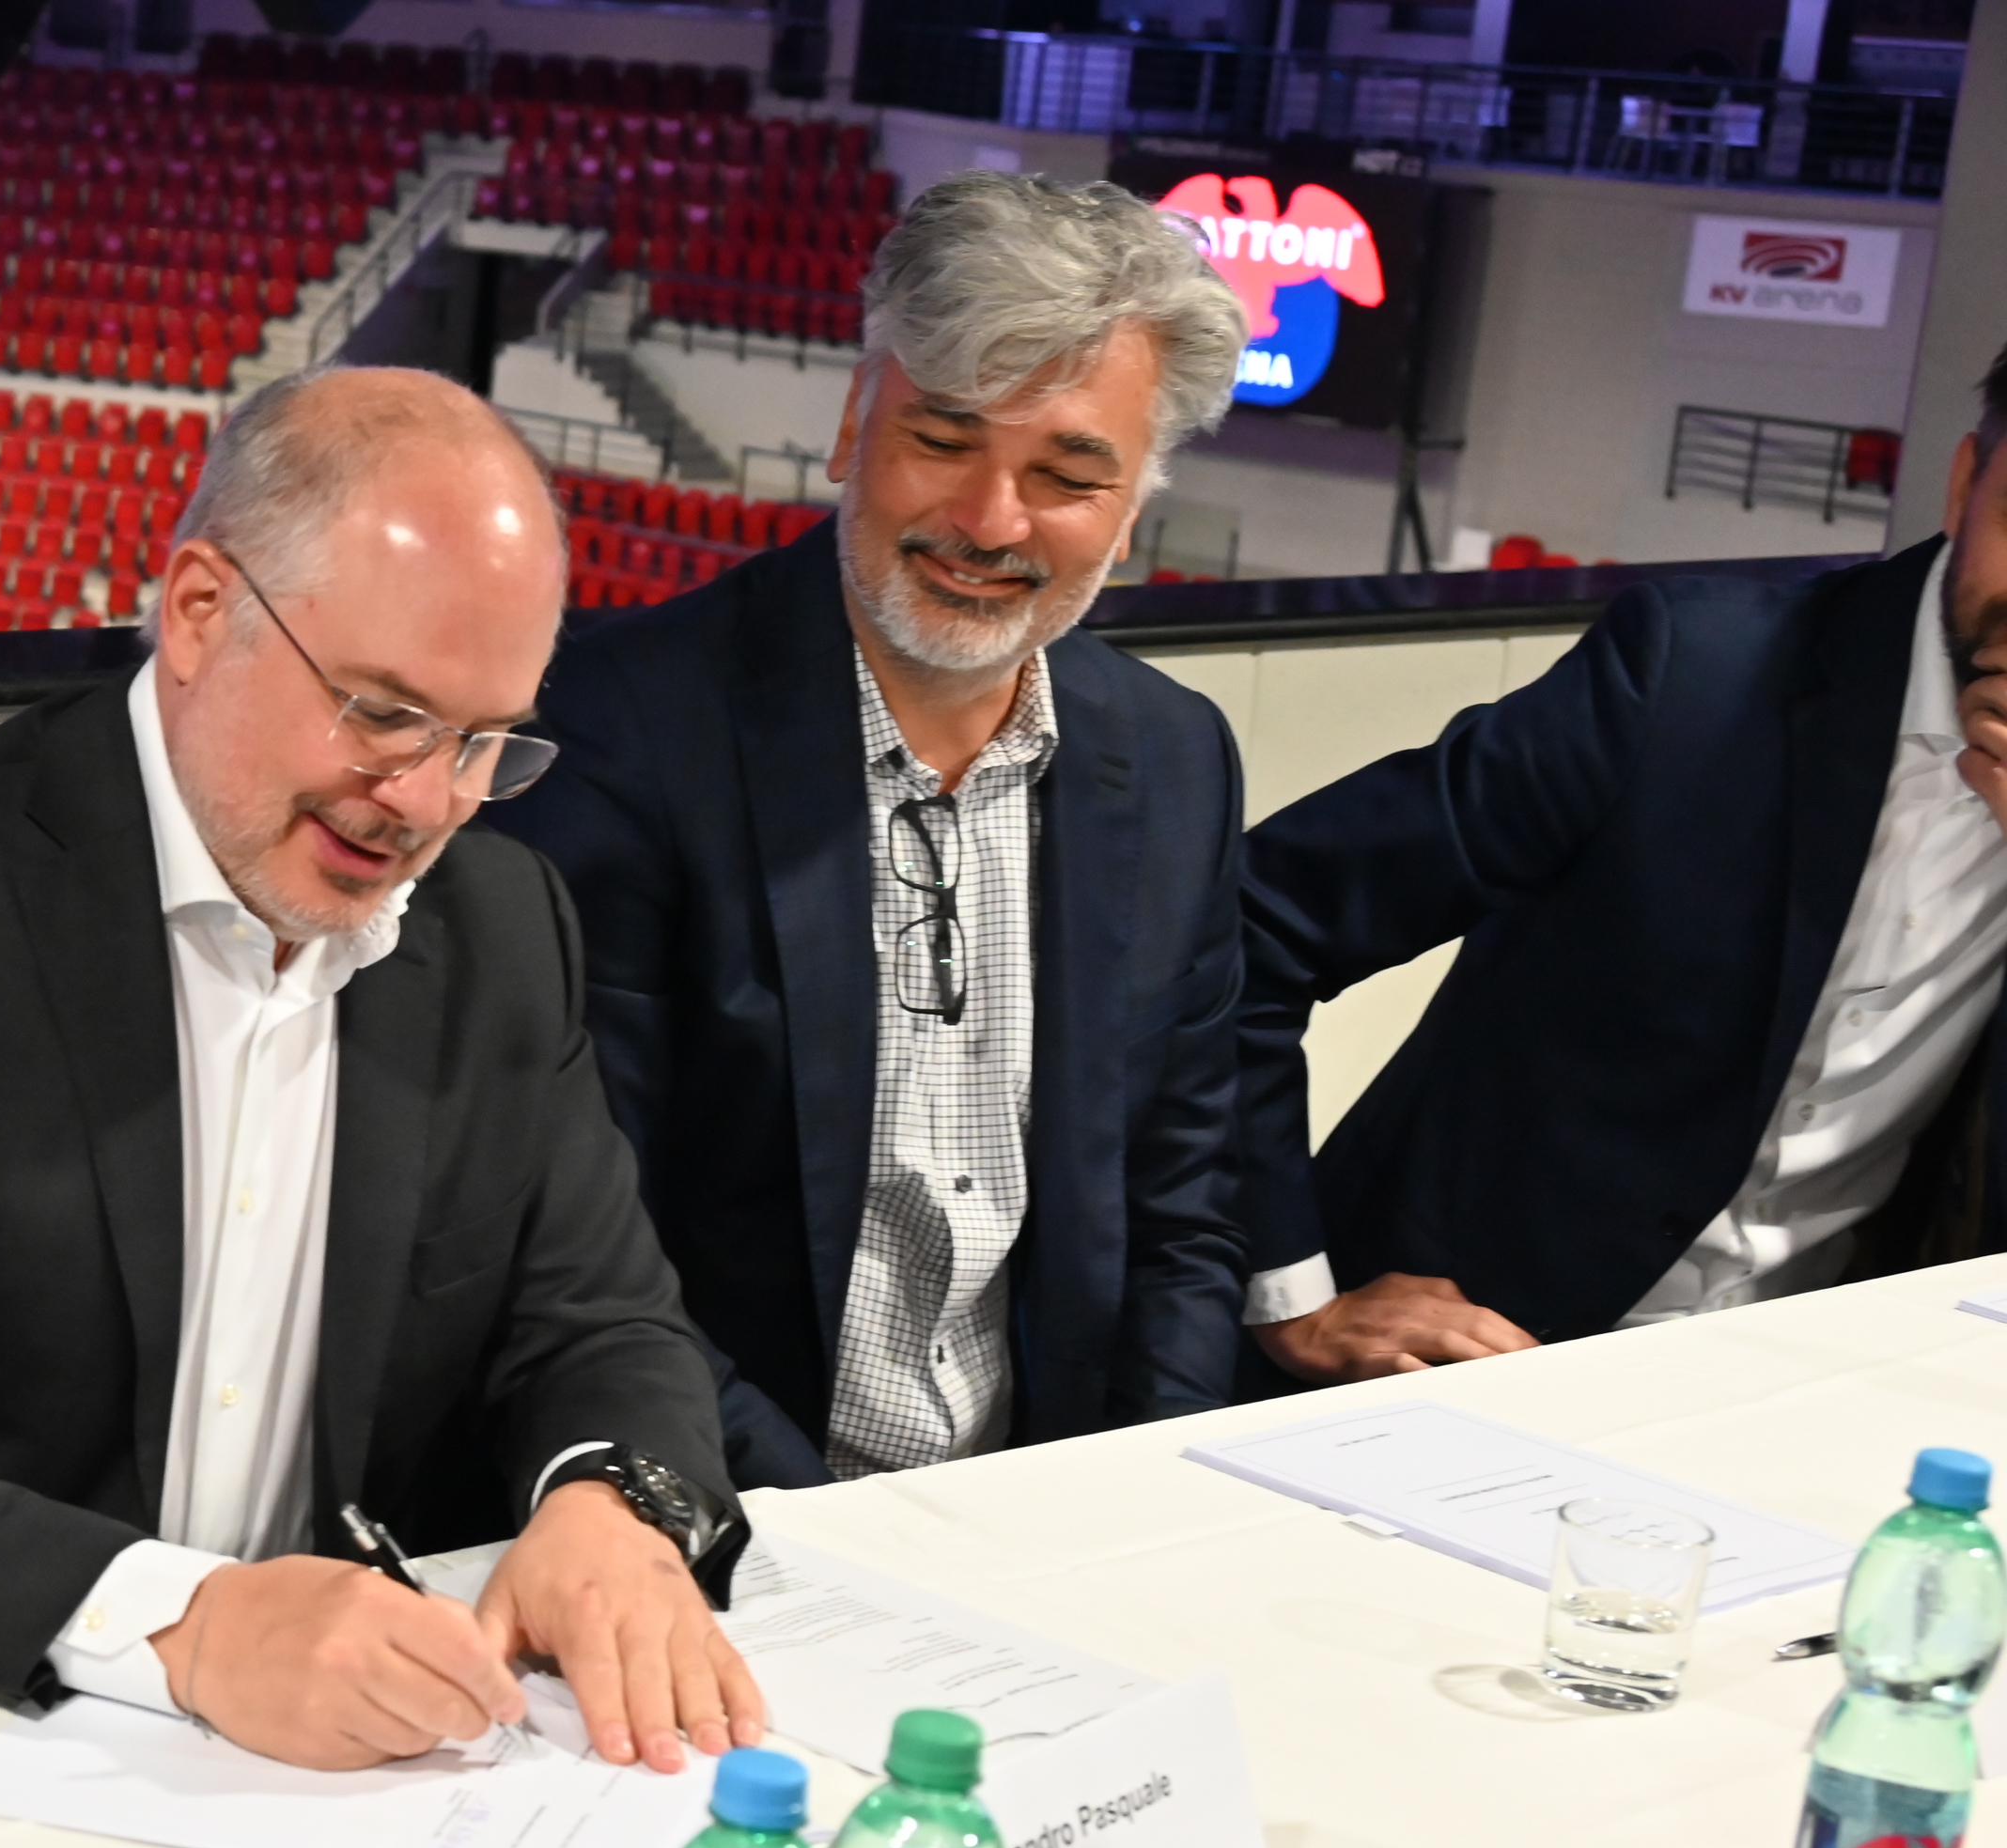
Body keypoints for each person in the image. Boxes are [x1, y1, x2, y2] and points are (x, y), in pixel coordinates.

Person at [0, 366, 763, 1775]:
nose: (427, 802)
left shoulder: (504, 928)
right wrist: (186, 1623)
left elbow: (604, 1321)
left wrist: (609, 1503)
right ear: (201, 611)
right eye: (381, 713)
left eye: (483, 744)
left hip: (267, 1767)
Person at [487, 174, 1256, 1489]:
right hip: (720, 1509)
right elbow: (583, 1247)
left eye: (1068, 474)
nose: (992, 522)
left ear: (1134, 507)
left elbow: (1183, 1214)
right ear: (855, 423)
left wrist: (1129, 1497)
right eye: (945, 441)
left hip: (1040, 1515)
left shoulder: (1179, 759)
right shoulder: (621, 737)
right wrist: (828, 1537)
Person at [1238, 341, 2007, 1374]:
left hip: (1807, 1400)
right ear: (1963, 486)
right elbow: (1249, 926)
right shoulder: (1692, 677)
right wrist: (1293, 1296)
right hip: (1458, 1373)